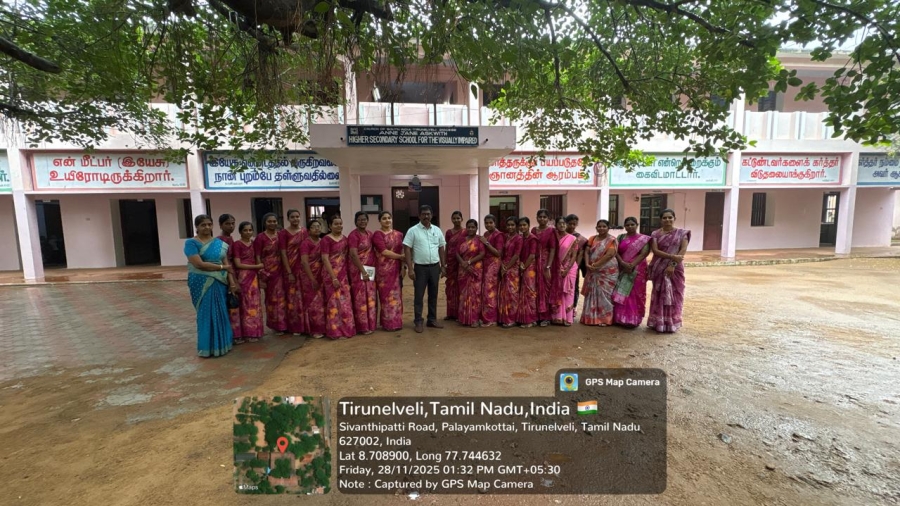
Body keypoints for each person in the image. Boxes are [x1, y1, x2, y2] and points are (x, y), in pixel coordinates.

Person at [184, 214, 235, 357]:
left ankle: (222, 346)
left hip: (219, 282)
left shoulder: (219, 243)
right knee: (206, 313)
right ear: (197, 227)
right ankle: (207, 348)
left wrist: (231, 283)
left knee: (220, 312)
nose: (207, 227)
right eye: (203, 225)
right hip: (201, 282)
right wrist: (221, 268)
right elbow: (198, 264)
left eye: (209, 224)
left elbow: (227, 264)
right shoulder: (191, 243)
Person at [403, 205, 447, 333]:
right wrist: (410, 269)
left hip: (434, 268)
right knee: (419, 296)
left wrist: (443, 266)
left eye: (428, 214)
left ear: (431, 215)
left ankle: (432, 320)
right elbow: (407, 249)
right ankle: (418, 321)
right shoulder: (413, 231)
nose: (426, 216)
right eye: (423, 214)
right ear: (419, 215)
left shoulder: (437, 230)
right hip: (420, 269)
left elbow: (441, 248)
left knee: (433, 295)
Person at [647, 209, 691, 333]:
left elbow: (682, 250)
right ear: (661, 220)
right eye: (664, 218)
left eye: (670, 217)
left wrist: (672, 265)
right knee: (659, 294)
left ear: (674, 218)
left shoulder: (682, 233)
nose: (667, 220)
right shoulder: (655, 234)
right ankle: (658, 322)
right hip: (659, 267)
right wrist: (672, 257)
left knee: (675, 294)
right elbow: (655, 251)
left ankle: (672, 323)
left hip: (675, 268)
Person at [613, 217, 652, 328]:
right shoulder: (620, 237)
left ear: (637, 225)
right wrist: (622, 263)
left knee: (635, 294)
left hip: (638, 270)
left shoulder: (643, 239)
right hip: (622, 268)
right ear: (624, 226)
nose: (630, 227)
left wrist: (632, 265)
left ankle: (633, 320)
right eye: (627, 225)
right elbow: (615, 251)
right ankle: (619, 318)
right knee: (621, 292)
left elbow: (644, 253)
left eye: (632, 224)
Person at [321, 215, 356, 339]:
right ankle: (335, 331)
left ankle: (347, 330)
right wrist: (333, 277)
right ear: (330, 226)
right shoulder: (326, 240)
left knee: (345, 303)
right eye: (336, 224)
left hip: (343, 275)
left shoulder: (345, 239)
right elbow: (325, 259)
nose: (339, 226)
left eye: (340, 223)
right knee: (333, 303)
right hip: (331, 275)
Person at [580, 220, 619, 327]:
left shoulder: (611, 240)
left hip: (607, 271)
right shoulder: (592, 238)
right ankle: (590, 318)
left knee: (605, 294)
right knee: (592, 292)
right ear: (596, 228)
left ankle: (605, 319)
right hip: (592, 270)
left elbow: (610, 254)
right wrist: (587, 264)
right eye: (599, 226)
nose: (601, 228)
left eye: (604, 226)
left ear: (608, 228)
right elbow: (586, 251)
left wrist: (595, 265)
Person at [231, 221, 265, 343]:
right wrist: (256, 267)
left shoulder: (254, 243)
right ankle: (246, 333)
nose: (248, 232)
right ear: (240, 232)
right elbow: (238, 264)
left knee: (255, 303)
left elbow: (257, 258)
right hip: (243, 276)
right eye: (245, 230)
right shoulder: (237, 244)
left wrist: (259, 271)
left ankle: (255, 331)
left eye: (250, 230)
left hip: (254, 277)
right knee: (245, 303)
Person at [372, 211, 406, 332]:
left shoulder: (399, 234)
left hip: (396, 269)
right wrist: (401, 257)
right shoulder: (377, 234)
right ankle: (388, 324)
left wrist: (403, 267)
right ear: (379, 221)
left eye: (389, 218)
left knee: (397, 296)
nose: (387, 220)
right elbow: (384, 251)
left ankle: (397, 322)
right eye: (384, 218)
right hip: (383, 271)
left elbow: (402, 250)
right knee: (386, 297)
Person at [254, 212, 287, 334]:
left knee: (282, 298)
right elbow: (257, 256)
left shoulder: (280, 235)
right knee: (271, 299)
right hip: (267, 271)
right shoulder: (260, 237)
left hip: (280, 270)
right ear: (265, 223)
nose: (272, 223)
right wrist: (261, 273)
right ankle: (275, 325)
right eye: (269, 221)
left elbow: (284, 252)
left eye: (274, 221)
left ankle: (283, 324)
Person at [279, 209, 308, 336]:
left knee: (304, 296)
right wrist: (289, 272)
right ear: (288, 219)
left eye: (297, 216)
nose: (295, 219)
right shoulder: (283, 233)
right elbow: (283, 253)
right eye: (292, 217)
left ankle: (306, 325)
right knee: (293, 298)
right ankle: (295, 326)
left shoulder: (304, 232)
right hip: (290, 268)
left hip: (304, 268)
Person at [348, 211, 377, 335]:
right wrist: (362, 270)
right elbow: (353, 254)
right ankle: (362, 326)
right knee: (360, 298)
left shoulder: (370, 234)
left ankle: (371, 325)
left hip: (370, 269)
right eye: (360, 219)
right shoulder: (353, 235)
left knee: (370, 296)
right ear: (356, 222)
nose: (362, 222)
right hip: (358, 270)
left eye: (364, 219)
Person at [456, 219, 486, 327]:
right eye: (468, 227)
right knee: (463, 294)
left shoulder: (479, 240)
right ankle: (463, 318)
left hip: (475, 269)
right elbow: (457, 253)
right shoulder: (462, 239)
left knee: (475, 295)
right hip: (463, 269)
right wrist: (463, 264)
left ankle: (474, 319)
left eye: (473, 227)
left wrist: (469, 262)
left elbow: (482, 254)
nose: (470, 229)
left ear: (476, 228)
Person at [300, 220, 326, 339]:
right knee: (312, 302)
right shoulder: (305, 243)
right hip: (309, 275)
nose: (317, 228)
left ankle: (323, 327)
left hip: (321, 274)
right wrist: (312, 279)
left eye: (318, 226)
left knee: (322, 302)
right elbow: (304, 262)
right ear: (309, 230)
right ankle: (314, 329)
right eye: (313, 227)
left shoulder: (323, 241)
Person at [552, 217, 580, 326]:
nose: (562, 225)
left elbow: (574, 255)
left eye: (564, 223)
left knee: (569, 291)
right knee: (557, 290)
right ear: (556, 225)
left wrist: (567, 269)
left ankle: (568, 318)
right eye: (560, 223)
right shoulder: (553, 237)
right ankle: (558, 317)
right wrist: (559, 267)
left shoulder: (572, 238)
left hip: (570, 268)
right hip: (556, 267)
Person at [531, 209, 556, 326]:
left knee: (545, 288)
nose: (542, 219)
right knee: (534, 287)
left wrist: (548, 266)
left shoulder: (551, 231)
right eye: (540, 217)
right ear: (536, 218)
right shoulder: (533, 230)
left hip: (545, 262)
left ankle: (546, 317)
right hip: (534, 262)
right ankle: (536, 315)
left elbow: (552, 249)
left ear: (548, 219)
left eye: (544, 217)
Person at [217, 214, 240, 339]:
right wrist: (232, 281)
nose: (231, 226)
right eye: (227, 224)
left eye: (232, 223)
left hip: (232, 271)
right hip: (225, 274)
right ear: (220, 225)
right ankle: (231, 335)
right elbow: (224, 261)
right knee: (230, 304)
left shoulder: (230, 238)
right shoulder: (219, 240)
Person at [479, 214, 505, 327]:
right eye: (486, 223)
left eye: (491, 222)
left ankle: (491, 318)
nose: (488, 225)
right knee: (485, 290)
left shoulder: (499, 235)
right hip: (485, 264)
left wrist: (486, 243)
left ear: (495, 223)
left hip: (494, 265)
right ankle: (486, 316)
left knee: (490, 291)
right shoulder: (486, 234)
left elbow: (498, 253)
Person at [498, 216, 522, 328]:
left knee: (512, 293)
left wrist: (507, 267)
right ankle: (503, 318)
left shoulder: (519, 238)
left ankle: (512, 319)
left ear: (516, 226)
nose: (510, 227)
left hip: (513, 268)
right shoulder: (506, 237)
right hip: (504, 265)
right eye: (508, 225)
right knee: (504, 292)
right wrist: (502, 265)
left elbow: (516, 255)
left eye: (512, 225)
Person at [443, 211, 465, 321]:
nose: (456, 220)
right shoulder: (448, 232)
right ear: (451, 219)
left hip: (461, 262)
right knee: (450, 288)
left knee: (460, 287)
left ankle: (459, 314)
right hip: (451, 263)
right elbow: (447, 247)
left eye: (458, 218)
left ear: (462, 219)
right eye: (454, 218)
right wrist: (444, 263)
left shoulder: (465, 232)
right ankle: (450, 313)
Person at [518, 217, 539, 328]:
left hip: (530, 268)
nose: (522, 227)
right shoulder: (521, 238)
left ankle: (531, 319)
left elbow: (532, 255)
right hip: (522, 265)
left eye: (524, 225)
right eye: (520, 225)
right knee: (523, 292)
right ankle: (524, 317)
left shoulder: (532, 239)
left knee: (530, 292)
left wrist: (524, 267)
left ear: (529, 225)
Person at [566, 214, 588, 310]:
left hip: (574, 266)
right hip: (560, 266)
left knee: (573, 286)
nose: (572, 226)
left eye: (574, 224)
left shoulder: (581, 239)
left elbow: (580, 254)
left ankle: (573, 307)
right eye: (569, 223)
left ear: (576, 224)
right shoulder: (560, 235)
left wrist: (575, 267)